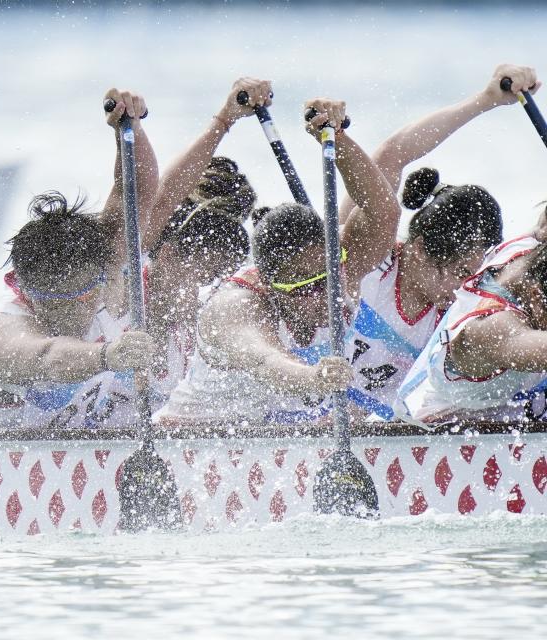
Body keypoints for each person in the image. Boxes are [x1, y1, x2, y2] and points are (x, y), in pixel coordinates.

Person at [155, 97, 402, 425]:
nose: (322, 294)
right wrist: (316, 377)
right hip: (188, 444)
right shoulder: (235, 306)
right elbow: (267, 363)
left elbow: (383, 210)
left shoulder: (342, 264)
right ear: (269, 284)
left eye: (325, 277)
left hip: (267, 442)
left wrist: (337, 138)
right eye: (302, 286)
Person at [0, 89, 160, 430]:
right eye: (51, 298)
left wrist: (130, 130)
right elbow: (48, 357)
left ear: (100, 275)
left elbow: (137, 194)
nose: (67, 309)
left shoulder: (105, 270)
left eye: (80, 294)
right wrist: (107, 356)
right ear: (20, 286)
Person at [337, 64, 536, 418]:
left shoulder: (461, 312)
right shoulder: (369, 259)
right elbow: (392, 153)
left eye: (474, 274)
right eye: (460, 271)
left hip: (392, 435)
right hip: (305, 419)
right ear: (419, 249)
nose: (466, 286)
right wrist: (485, 100)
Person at [142, 78, 268, 396]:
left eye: (223, 276)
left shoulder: (204, 329)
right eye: (210, 273)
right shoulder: (123, 282)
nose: (215, 288)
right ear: (168, 256)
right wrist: (224, 120)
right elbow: (163, 200)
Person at [395, 230, 547, 424]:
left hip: (521, 417)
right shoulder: (491, 326)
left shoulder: (531, 250)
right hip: (451, 436)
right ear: (536, 297)